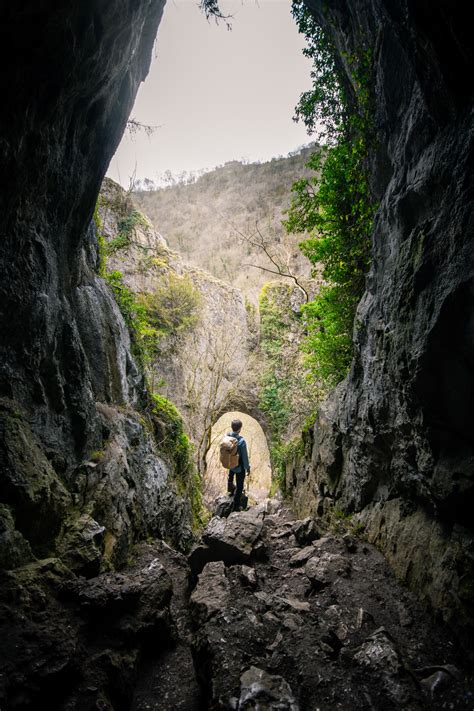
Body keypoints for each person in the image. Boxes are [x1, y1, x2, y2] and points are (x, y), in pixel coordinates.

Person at [227, 418, 251, 511]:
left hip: (230, 464)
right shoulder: (241, 441)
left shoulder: (228, 436)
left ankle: (230, 490)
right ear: (240, 429)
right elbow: (245, 457)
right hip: (239, 467)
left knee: (230, 476)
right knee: (240, 485)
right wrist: (247, 468)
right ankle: (236, 506)